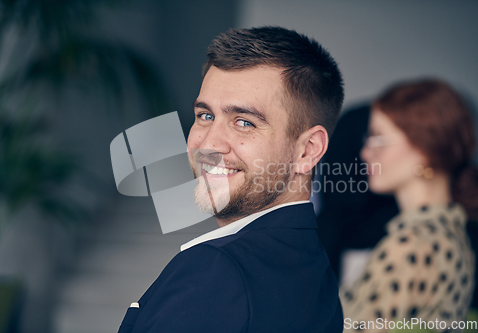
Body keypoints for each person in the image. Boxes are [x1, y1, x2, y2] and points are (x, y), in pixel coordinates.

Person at [117, 26, 344, 332]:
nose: (209, 145)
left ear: (308, 150)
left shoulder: (213, 272)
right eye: (205, 116)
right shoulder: (315, 267)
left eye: (244, 122)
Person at [341, 79, 478, 332]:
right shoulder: (451, 233)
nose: (365, 153)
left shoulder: (413, 244)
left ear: (424, 148)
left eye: (378, 139)